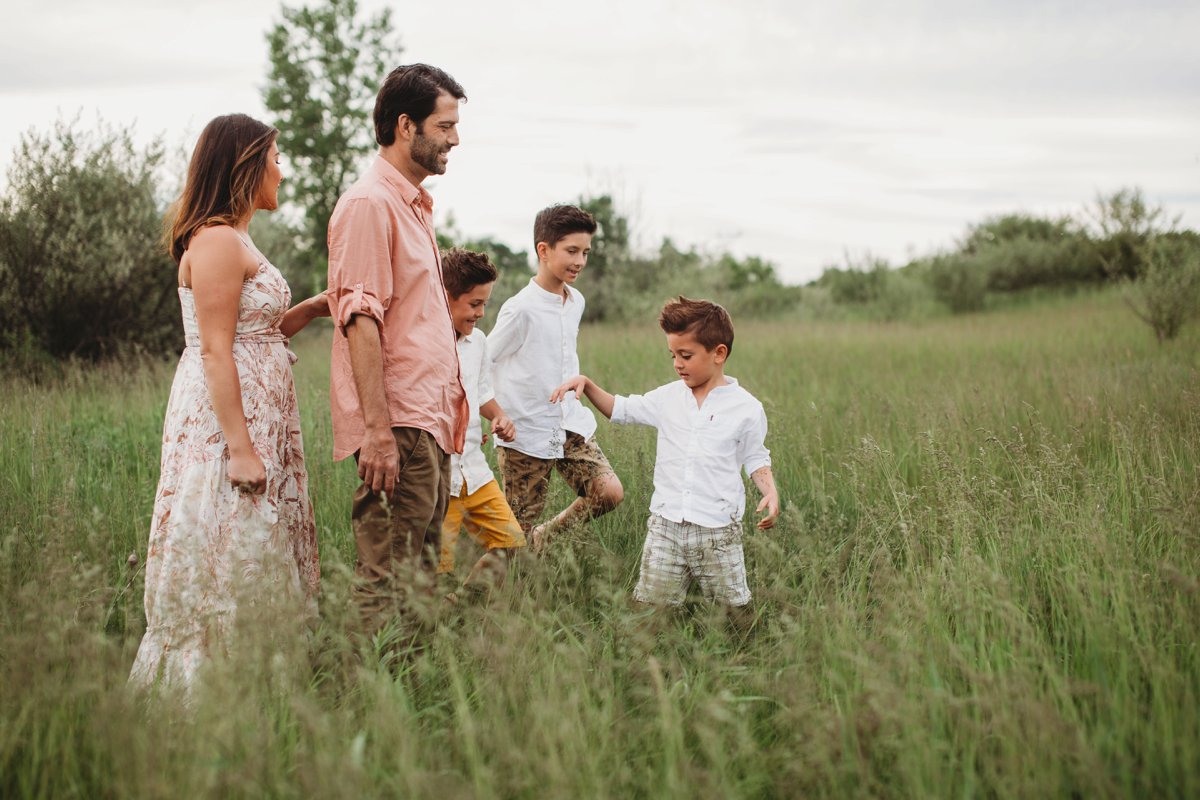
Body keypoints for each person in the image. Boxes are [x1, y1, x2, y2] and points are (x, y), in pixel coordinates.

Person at [130, 114, 329, 693]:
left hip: (257, 422)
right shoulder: (216, 239)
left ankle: (261, 685)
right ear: (246, 165)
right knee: (226, 540)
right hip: (224, 430)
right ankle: (211, 696)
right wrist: (240, 450)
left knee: (253, 542)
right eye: (275, 161)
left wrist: (311, 310)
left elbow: (253, 332)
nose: (282, 173)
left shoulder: (237, 237)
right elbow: (216, 350)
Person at [326, 64, 469, 634]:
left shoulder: (412, 207)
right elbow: (361, 322)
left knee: (421, 582)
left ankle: (406, 708)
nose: (455, 139)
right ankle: (361, 701)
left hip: (427, 424)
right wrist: (378, 433)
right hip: (399, 427)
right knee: (387, 581)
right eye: (445, 125)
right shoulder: (370, 204)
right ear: (406, 126)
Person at [550, 296, 779, 621]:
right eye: (673, 355)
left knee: (733, 612)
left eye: (686, 355)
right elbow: (622, 409)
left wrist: (769, 491)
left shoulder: (747, 408)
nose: (677, 363)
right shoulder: (670, 397)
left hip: (717, 531)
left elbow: (756, 458)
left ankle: (741, 655)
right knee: (650, 611)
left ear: (719, 353)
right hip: (665, 525)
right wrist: (586, 385)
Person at [487, 204, 623, 550]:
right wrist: (487, 416)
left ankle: (543, 539)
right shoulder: (520, 309)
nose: (580, 261)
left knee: (608, 492)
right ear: (543, 251)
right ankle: (469, 598)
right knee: (513, 535)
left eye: (586, 252)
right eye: (572, 251)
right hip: (526, 431)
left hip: (568, 423)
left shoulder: (575, 300)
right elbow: (483, 360)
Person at [437, 248, 527, 596]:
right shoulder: (427, 345)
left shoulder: (479, 342)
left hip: (474, 470)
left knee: (510, 544)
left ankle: (460, 606)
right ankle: (438, 621)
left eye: (485, 303)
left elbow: (482, 391)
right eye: (474, 304)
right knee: (437, 568)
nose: (481, 313)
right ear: (446, 296)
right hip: (441, 475)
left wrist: (499, 416)